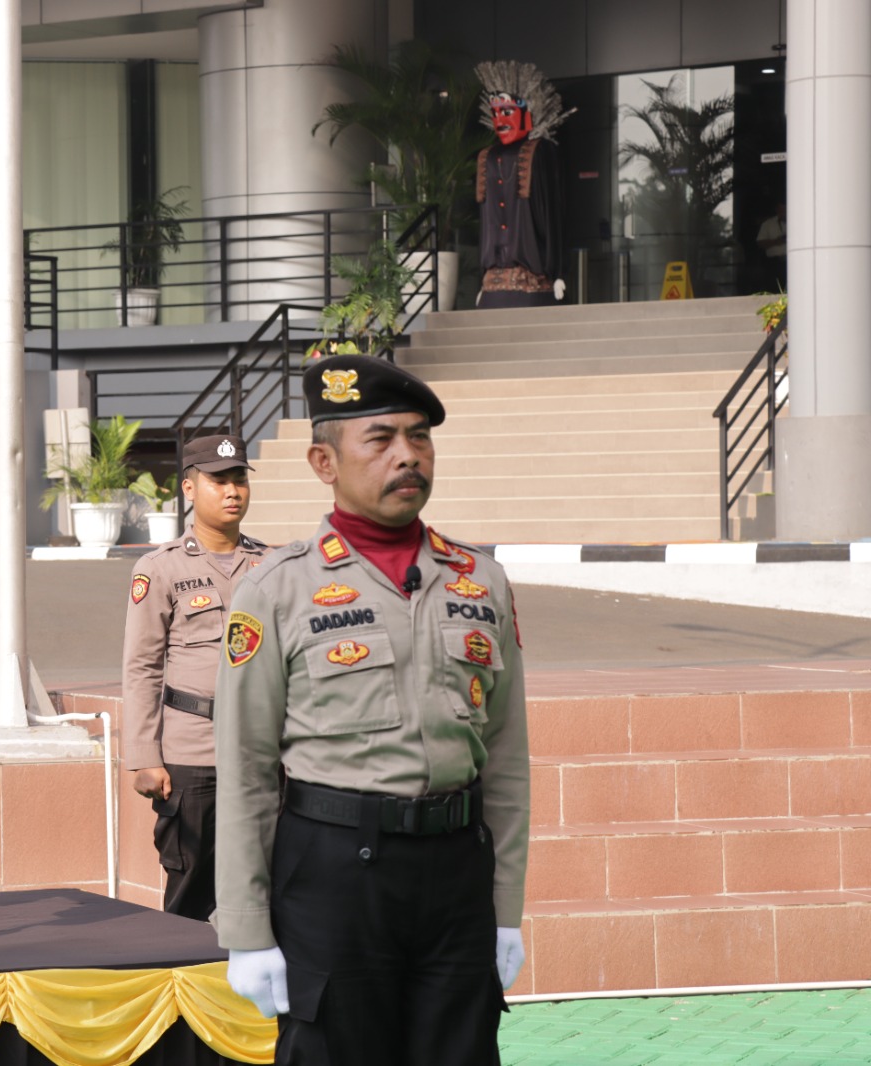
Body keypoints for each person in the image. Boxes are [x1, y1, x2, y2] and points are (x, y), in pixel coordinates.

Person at [213, 354, 530, 1065]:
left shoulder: (481, 581)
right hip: (333, 876)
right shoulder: (276, 590)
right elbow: (245, 768)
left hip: (456, 874)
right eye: (381, 439)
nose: (408, 457)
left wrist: (505, 911)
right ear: (324, 461)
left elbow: (507, 760)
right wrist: (246, 928)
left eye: (419, 438)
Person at [122, 434, 264, 921]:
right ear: (189, 488)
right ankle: (183, 995)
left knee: (268, 890)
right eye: (218, 480)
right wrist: (144, 756)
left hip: (263, 753)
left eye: (239, 479)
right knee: (190, 897)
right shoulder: (160, 569)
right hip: (192, 752)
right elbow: (142, 667)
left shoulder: (274, 566)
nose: (232, 491)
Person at [472, 61, 574, 309]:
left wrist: (558, 272)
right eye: (495, 113)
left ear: (527, 115)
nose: (499, 120)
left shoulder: (540, 151)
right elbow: (487, 220)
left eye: (506, 112)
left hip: (534, 277)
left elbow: (552, 213)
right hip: (494, 280)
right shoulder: (487, 156)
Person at [756, 200, 787, 289]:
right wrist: (776, 242)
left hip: (793, 262)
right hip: (774, 264)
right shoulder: (768, 224)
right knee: (774, 290)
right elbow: (760, 243)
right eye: (780, 209)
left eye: (784, 209)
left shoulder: (798, 222)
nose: (783, 212)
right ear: (776, 210)